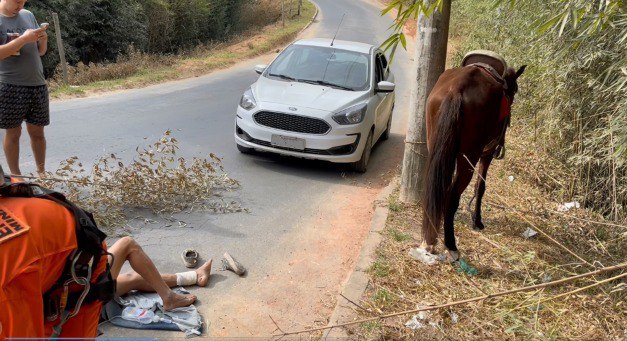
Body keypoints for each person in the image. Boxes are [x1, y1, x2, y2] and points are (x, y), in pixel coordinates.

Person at [0, 165, 212, 338]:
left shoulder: (12, 273)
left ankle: (187, 282)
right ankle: (187, 282)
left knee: (122, 279)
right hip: (65, 279)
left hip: (69, 274)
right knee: (127, 258)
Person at [0, 0, 50, 177]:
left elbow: (40, 51)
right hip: (10, 85)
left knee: (38, 132)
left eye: (23, 1)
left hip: (37, 83)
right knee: (13, 132)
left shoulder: (28, 15)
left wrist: (43, 40)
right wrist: (23, 39)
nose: (20, 5)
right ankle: (16, 176)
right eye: (17, 1)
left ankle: (41, 172)